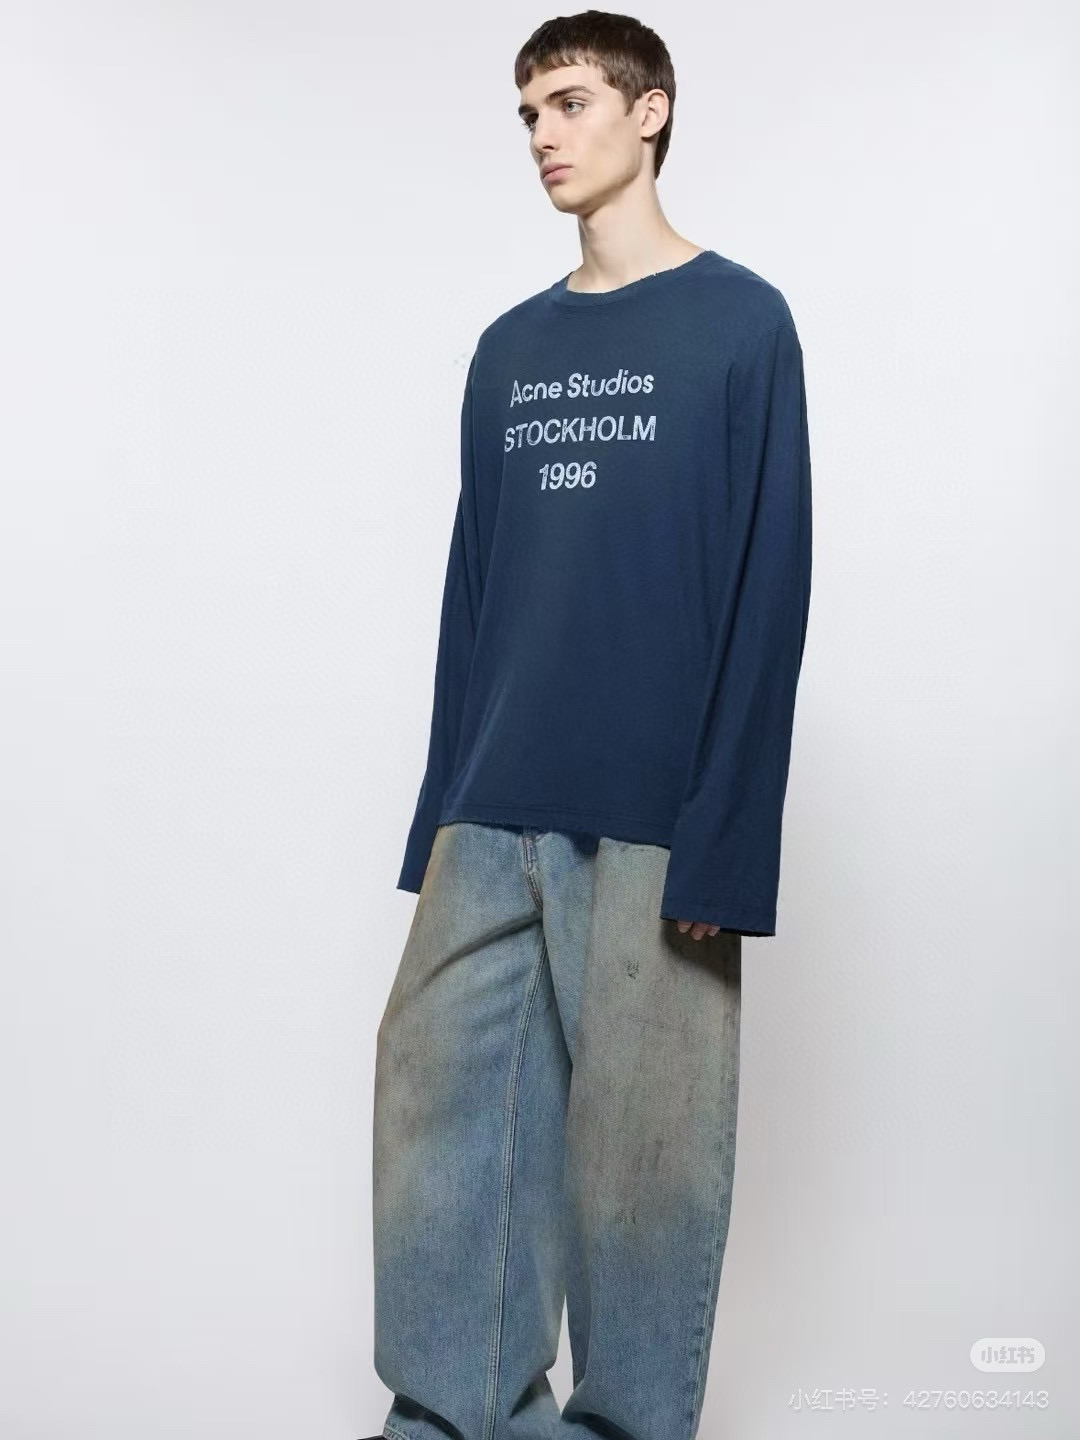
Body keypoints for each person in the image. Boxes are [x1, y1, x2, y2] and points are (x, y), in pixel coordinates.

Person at [367, 10, 813, 1439]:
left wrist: (728, 839)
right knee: (441, 1124)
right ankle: (449, 1419)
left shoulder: (741, 323)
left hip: (659, 812)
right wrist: (437, 818)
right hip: (493, 803)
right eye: (528, 114)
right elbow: (474, 589)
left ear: (650, 109)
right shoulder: (509, 349)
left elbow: (770, 586)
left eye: (568, 102)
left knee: (644, 1162)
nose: (545, 136)